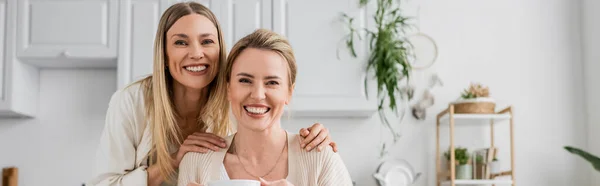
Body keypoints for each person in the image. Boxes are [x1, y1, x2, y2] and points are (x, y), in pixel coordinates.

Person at [86, 2, 338, 186]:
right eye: (181, 42)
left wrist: (317, 144)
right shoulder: (132, 102)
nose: (196, 53)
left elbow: (269, 132)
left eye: (207, 41)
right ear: (164, 54)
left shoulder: (238, 98)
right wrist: (173, 161)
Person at [177, 29, 353, 186]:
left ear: (289, 93)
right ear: (228, 88)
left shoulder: (320, 158)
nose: (258, 94)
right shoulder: (196, 163)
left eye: (272, 82)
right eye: (245, 81)